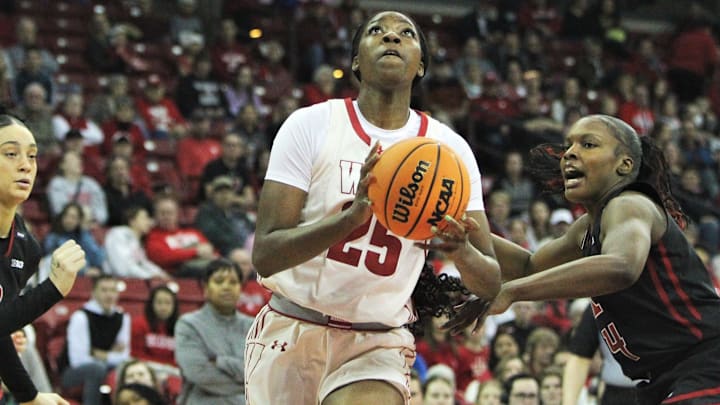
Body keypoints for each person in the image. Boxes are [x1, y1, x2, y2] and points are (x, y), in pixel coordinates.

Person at [245, 10, 500, 405]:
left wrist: (461, 250)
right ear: (356, 62)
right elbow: (266, 255)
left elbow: (490, 281)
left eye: (406, 34)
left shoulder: (450, 152)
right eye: (377, 31)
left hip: (377, 340)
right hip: (293, 325)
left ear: (421, 66)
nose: (392, 38)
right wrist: (349, 220)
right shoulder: (310, 125)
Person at [450, 114, 720, 404]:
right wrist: (455, 226)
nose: (570, 153)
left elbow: (622, 267)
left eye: (588, 144)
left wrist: (514, 291)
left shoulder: (630, 205)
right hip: (664, 376)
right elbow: (527, 265)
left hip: (705, 361)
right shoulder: (586, 229)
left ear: (624, 165)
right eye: (568, 145)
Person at [0, 114, 87, 405]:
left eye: (33, 156)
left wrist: (30, 396)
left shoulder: (26, 247)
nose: (26, 165)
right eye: (10, 154)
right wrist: (53, 288)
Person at [174, 258, 253, 404]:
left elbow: (261, 372)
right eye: (219, 281)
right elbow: (197, 372)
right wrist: (247, 385)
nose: (226, 287)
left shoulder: (253, 326)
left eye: (233, 282)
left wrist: (220, 361)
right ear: (205, 288)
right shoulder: (189, 324)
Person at [59, 275, 131, 405]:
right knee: (97, 369)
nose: (109, 295)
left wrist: (99, 354)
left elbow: (124, 356)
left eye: (113, 290)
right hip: (70, 372)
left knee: (131, 369)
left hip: (106, 367)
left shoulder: (123, 317)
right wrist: (110, 356)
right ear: (93, 293)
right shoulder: (81, 317)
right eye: (104, 290)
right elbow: (78, 360)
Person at [131, 285, 178, 367]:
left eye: (168, 303)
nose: (163, 307)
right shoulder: (138, 324)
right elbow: (136, 355)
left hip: (172, 371)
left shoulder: (180, 328)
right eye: (159, 302)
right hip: (146, 368)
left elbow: (180, 358)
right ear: (151, 304)